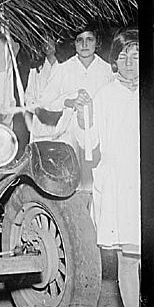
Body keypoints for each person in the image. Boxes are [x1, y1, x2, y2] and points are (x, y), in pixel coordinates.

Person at [74, 28, 141, 307]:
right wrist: (82, 116)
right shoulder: (105, 94)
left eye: (136, 56)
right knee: (128, 258)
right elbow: (89, 142)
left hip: (146, 180)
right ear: (114, 60)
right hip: (119, 182)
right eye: (123, 56)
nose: (129, 62)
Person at [37, 23, 114, 187]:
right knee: (71, 181)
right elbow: (44, 101)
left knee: (96, 182)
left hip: (98, 133)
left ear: (97, 42)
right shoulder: (63, 69)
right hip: (69, 132)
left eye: (89, 39)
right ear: (74, 43)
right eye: (80, 40)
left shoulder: (107, 70)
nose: (85, 44)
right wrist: (69, 101)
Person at [23, 37, 59, 141]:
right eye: (44, 41)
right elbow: (28, 96)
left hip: (58, 122)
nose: (47, 45)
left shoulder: (65, 68)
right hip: (39, 124)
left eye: (50, 40)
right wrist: (37, 109)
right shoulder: (36, 70)